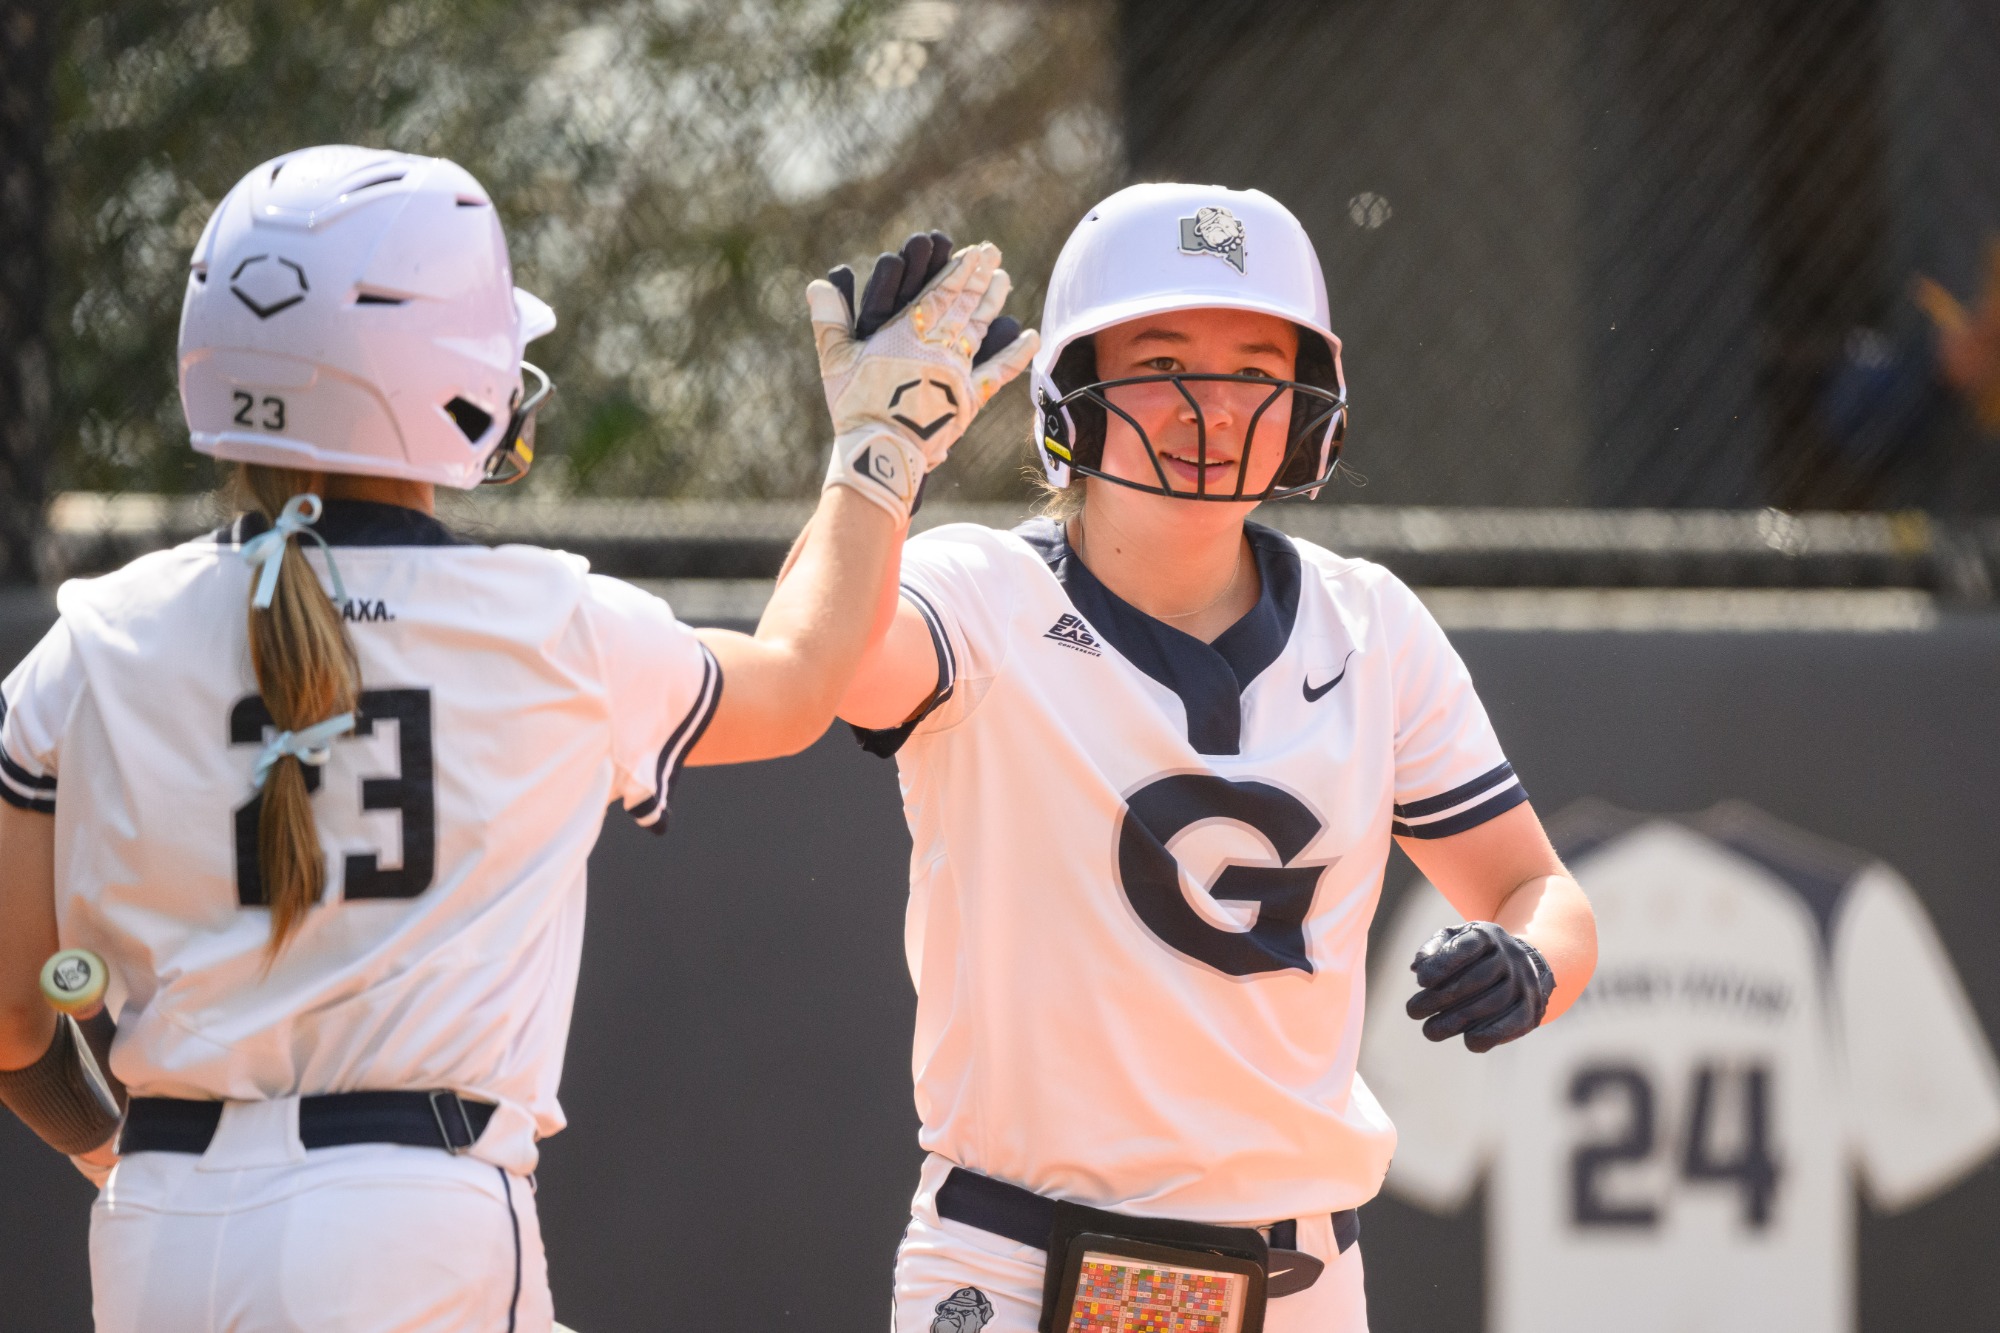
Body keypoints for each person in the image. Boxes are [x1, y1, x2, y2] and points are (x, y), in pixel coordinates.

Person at [0, 145, 1034, 1332]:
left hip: (162, 1230)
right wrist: (877, 452)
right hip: (415, 1213)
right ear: (434, 377)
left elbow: (13, 1015)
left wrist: (123, 1156)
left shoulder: (88, 643)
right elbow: (802, 682)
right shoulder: (546, 623)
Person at [836, 183, 1599, 1333]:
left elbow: (1538, 888)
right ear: (1071, 394)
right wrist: (872, 454)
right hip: (1013, 1266)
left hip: (1299, 1284)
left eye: (1253, 367)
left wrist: (1530, 960)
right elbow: (825, 668)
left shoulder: (1369, 623)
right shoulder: (976, 594)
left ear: (1309, 403)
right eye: (1164, 360)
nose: (1213, 404)